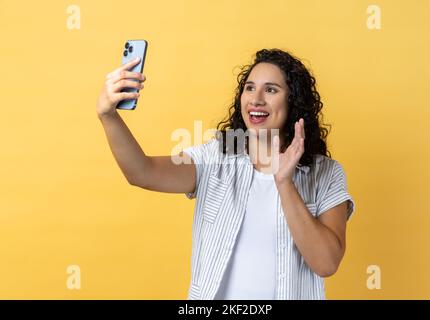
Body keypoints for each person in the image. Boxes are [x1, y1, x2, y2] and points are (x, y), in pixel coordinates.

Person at [96, 48, 356, 300]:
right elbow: (142, 172)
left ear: (294, 102)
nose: (256, 99)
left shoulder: (326, 174)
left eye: (271, 90)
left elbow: (326, 263)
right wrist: (108, 116)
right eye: (250, 87)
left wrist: (284, 182)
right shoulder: (216, 156)